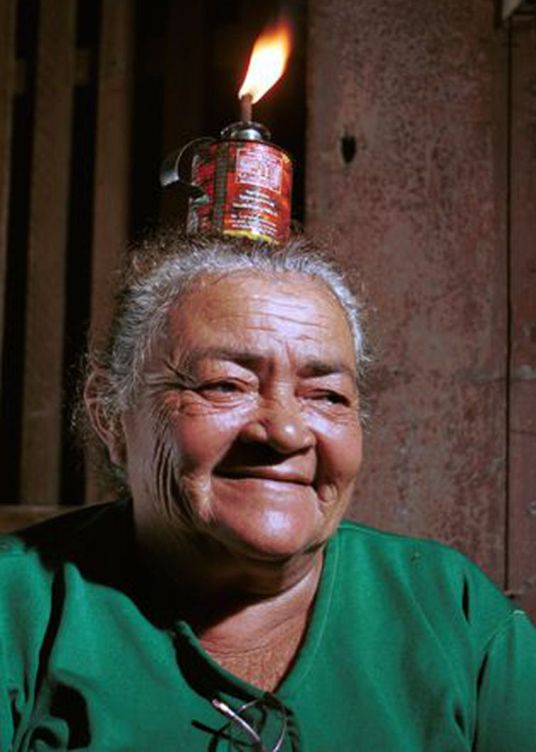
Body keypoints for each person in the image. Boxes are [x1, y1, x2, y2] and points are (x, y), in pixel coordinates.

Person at [1, 232, 535, 751]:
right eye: (224, 385)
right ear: (113, 416)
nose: (286, 431)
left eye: (327, 396)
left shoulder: (453, 613)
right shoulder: (16, 608)